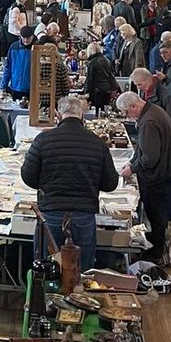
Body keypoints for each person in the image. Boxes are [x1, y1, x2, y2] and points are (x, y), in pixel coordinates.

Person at [20, 95, 119, 269]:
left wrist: (47, 184)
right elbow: (110, 184)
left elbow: (28, 177)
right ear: (82, 116)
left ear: (58, 115)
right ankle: (79, 296)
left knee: (47, 267)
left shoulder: (43, 140)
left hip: (51, 212)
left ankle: (48, 296)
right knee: (82, 270)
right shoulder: (97, 143)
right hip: (83, 214)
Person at [116, 90, 171, 266]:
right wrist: (131, 162)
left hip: (157, 177)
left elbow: (149, 157)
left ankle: (156, 253)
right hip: (164, 173)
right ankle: (155, 245)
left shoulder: (149, 122)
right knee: (157, 214)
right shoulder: (153, 111)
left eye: (127, 112)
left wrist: (132, 169)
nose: (127, 117)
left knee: (156, 214)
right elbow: (142, 150)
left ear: (134, 106)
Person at [2, 25, 36, 98]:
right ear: (20, 36)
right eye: (24, 38)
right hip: (15, 87)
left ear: (32, 36)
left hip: (31, 89)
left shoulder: (37, 49)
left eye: (28, 38)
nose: (26, 40)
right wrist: (3, 86)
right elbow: (8, 67)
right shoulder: (13, 47)